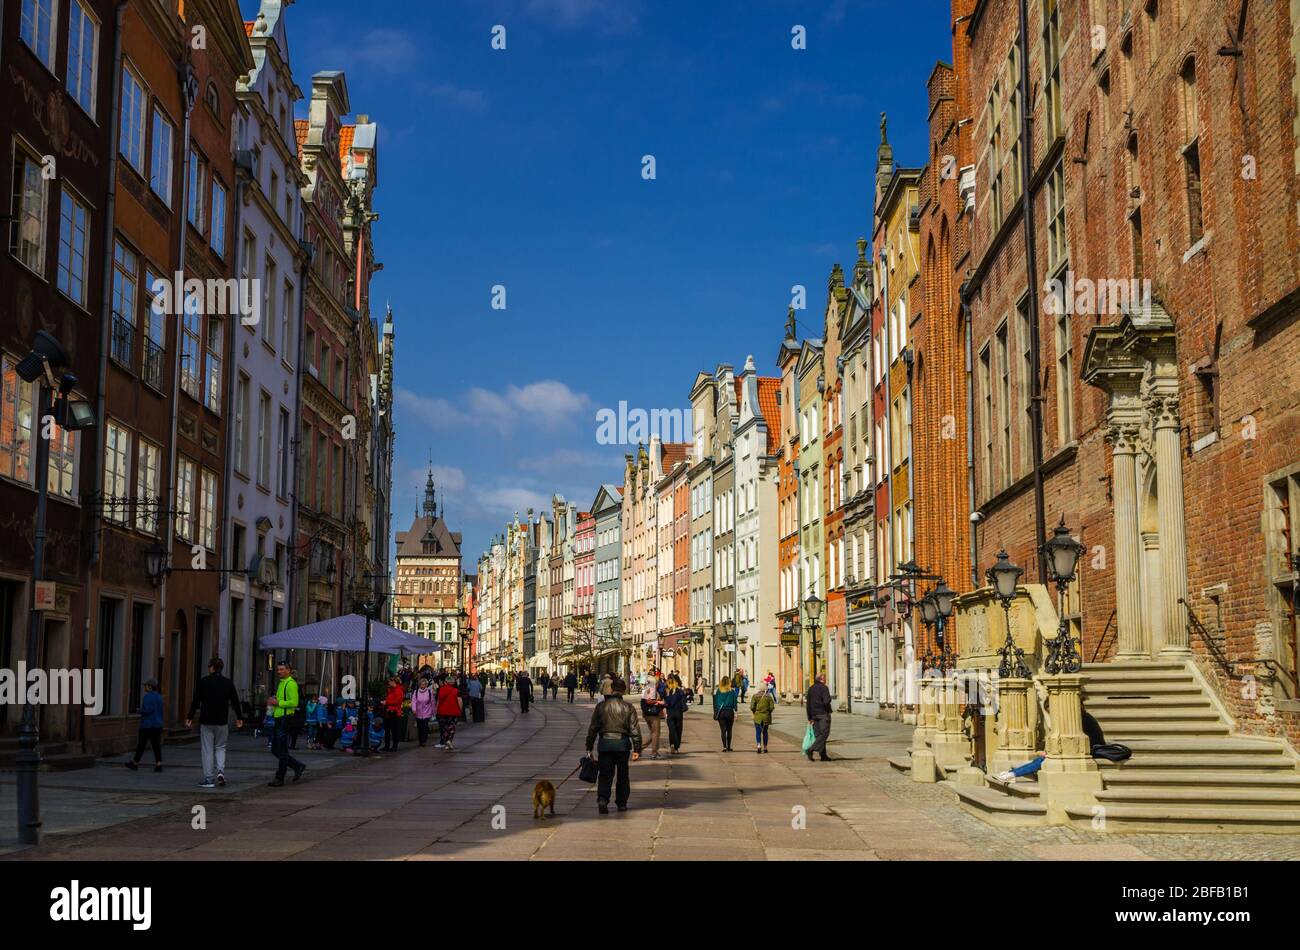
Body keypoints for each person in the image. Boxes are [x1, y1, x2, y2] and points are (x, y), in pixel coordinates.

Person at [585, 676, 642, 814]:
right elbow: (634, 729)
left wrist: (589, 746)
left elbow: (593, 728)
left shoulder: (601, 706)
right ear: (623, 690)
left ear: (611, 689)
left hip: (605, 744)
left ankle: (603, 800)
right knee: (623, 775)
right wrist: (637, 749)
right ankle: (621, 803)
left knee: (605, 774)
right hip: (622, 745)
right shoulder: (628, 707)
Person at [185, 658, 244, 787]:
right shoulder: (228, 683)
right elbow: (235, 701)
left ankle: (209, 779)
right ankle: (221, 772)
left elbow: (196, 701)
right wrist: (239, 717)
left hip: (206, 720)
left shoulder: (204, 682)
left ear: (211, 667)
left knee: (207, 750)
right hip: (222, 721)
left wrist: (190, 716)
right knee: (221, 747)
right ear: (221, 668)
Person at [267, 662, 307, 786]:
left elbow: (294, 702)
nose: (279, 671)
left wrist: (278, 703)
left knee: (282, 750)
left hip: (285, 718)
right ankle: (297, 766)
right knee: (275, 749)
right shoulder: (282, 683)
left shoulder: (290, 684)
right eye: (278, 669)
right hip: (278, 718)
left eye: (282, 669)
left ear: (288, 670)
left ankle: (280, 777)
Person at [125, 678, 165, 773]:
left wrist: (139, 710)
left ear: (150, 687)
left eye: (146, 686)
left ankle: (135, 763)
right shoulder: (160, 697)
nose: (145, 687)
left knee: (141, 745)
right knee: (156, 746)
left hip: (147, 725)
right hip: (158, 725)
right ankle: (158, 764)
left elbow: (148, 710)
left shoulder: (147, 697)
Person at [805, 672, 832, 762]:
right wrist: (828, 710)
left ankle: (823, 755)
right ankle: (811, 749)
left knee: (818, 735)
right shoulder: (824, 688)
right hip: (823, 714)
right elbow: (826, 701)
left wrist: (809, 718)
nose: (825, 680)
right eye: (824, 678)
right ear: (821, 679)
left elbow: (808, 704)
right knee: (824, 733)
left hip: (813, 715)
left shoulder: (811, 688)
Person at [640, 676, 665, 759]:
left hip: (647, 714)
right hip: (653, 714)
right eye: (657, 682)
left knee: (652, 733)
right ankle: (654, 753)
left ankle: (639, 748)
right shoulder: (652, 688)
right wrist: (659, 702)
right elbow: (649, 701)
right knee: (655, 734)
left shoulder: (646, 688)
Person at [436, 675, 462, 751]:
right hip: (453, 712)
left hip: (442, 712)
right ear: (453, 683)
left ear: (445, 682)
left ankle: (447, 742)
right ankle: (449, 740)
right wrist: (460, 710)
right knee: (451, 727)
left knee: (444, 728)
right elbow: (459, 701)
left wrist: (436, 710)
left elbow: (438, 701)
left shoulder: (440, 690)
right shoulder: (456, 691)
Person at [713, 676, 738, 752]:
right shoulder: (732, 691)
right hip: (729, 712)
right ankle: (729, 746)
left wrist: (715, 711)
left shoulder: (718, 691)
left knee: (723, 730)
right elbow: (735, 703)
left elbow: (716, 703)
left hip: (721, 712)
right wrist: (736, 712)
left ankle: (724, 747)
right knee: (729, 730)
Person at [664, 675, 688, 754]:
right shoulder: (680, 691)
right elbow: (684, 701)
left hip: (670, 713)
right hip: (678, 713)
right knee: (678, 730)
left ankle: (672, 744)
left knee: (671, 730)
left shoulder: (667, 691)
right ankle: (676, 746)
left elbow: (667, 703)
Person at [382, 675, 405, 752]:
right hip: (388, 711)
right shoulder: (391, 690)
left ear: (393, 682)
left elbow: (397, 702)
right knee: (387, 730)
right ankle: (387, 746)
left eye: (389, 681)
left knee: (394, 730)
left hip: (395, 712)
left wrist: (386, 702)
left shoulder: (398, 690)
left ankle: (394, 746)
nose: (388, 683)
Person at [750, 685, 775, 754]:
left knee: (758, 731)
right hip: (766, 716)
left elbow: (752, 706)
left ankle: (758, 745)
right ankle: (765, 747)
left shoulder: (755, 696)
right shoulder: (769, 696)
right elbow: (772, 707)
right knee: (765, 732)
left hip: (757, 716)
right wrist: (768, 712)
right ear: (765, 689)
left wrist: (755, 711)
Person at [411, 677, 436, 747]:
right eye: (421, 685)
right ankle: (420, 741)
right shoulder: (416, 692)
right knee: (419, 728)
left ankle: (424, 741)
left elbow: (432, 702)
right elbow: (413, 701)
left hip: (427, 712)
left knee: (424, 727)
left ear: (426, 685)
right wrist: (414, 709)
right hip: (418, 713)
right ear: (419, 685)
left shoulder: (429, 692)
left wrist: (434, 712)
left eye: (424, 685)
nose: (423, 686)